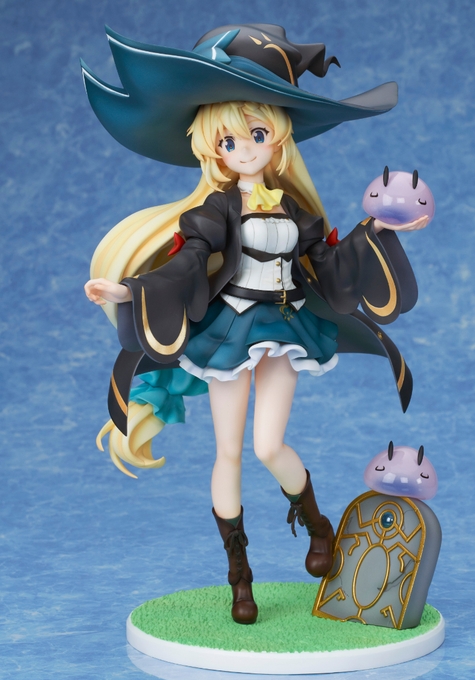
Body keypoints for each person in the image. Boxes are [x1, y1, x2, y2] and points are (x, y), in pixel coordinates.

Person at [83, 24, 428, 624]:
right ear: (212, 149)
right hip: (230, 330)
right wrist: (130, 290)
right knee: (229, 454)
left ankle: (318, 526)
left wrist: (379, 230)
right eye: (229, 141)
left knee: (269, 445)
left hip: (287, 327)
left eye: (257, 134)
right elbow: (188, 263)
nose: (244, 150)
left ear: (278, 138)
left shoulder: (297, 211)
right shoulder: (216, 209)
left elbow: (331, 269)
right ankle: (239, 576)